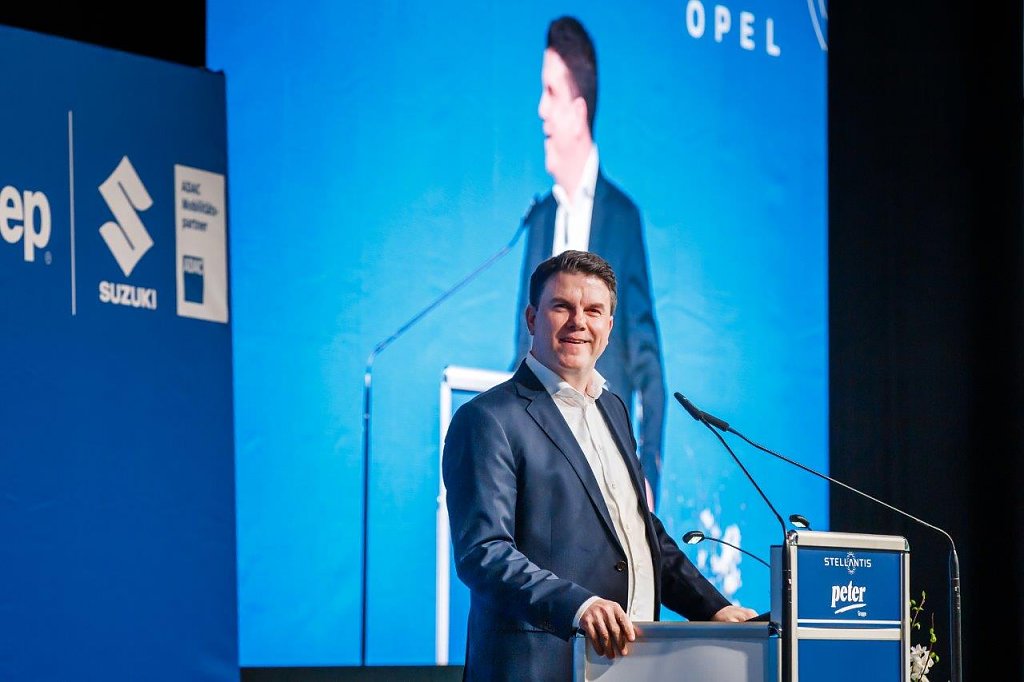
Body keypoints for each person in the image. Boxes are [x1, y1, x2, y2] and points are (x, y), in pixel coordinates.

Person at [446, 250, 756, 682]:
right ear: (532, 319)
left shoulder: (613, 409)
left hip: (634, 665)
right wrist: (578, 606)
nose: (578, 322)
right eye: (562, 307)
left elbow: (639, 530)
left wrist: (713, 607)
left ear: (609, 328)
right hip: (541, 668)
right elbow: (484, 553)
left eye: (593, 311)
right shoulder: (488, 418)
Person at [514, 16, 668, 509]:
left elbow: (646, 356)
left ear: (578, 109)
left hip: (605, 458)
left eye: (550, 93)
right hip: (540, 458)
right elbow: (522, 345)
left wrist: (647, 470)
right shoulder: (540, 218)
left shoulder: (621, 218)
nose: (540, 110)